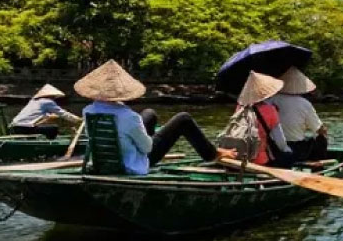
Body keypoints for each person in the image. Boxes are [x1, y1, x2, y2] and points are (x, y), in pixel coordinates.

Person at [76, 60, 236, 175]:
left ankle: (143, 134)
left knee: (149, 114)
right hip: (131, 165)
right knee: (183, 119)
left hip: (105, 161)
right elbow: (147, 148)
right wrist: (145, 137)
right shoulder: (129, 117)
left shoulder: (88, 111)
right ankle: (212, 154)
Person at [232, 71, 294, 167]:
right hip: (259, 159)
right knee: (288, 154)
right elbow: (280, 141)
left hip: (239, 156)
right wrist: (287, 150)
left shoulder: (240, 108)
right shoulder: (270, 110)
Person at [270, 66, 329, 162]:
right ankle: (318, 167)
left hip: (273, 147)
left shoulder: (271, 100)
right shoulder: (304, 103)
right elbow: (319, 130)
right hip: (296, 149)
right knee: (322, 139)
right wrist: (324, 129)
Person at [9, 84, 81, 139]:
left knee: (45, 127)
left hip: (14, 126)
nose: (54, 98)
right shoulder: (47, 102)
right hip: (25, 128)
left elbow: (46, 116)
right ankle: (51, 144)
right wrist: (77, 120)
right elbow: (63, 114)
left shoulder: (34, 101)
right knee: (53, 128)